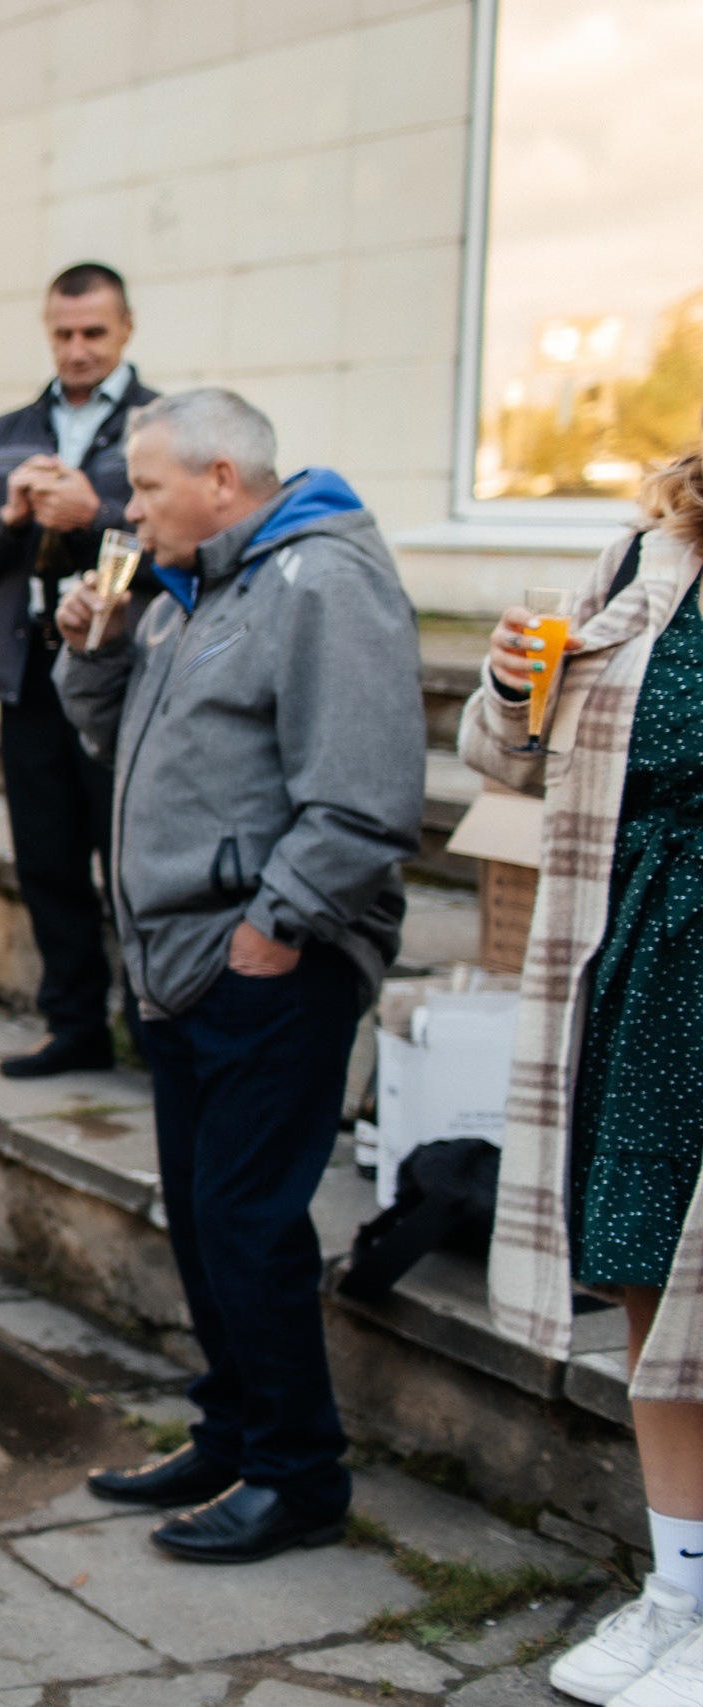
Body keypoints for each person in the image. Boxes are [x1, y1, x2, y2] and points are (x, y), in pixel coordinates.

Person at [52, 388, 424, 1564]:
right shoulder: (189, 590)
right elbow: (116, 744)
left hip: (265, 962)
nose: (128, 508)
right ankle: (232, 1432)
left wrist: (277, 930)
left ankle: (299, 1475)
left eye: (148, 486)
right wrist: (90, 651)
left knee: (247, 1223)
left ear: (221, 479)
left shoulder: (321, 582)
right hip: (177, 964)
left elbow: (364, 795)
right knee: (207, 1222)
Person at [468, 427, 703, 1707]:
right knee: (645, 1280)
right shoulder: (641, 553)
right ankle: (678, 1590)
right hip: (638, 959)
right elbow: (509, 765)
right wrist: (510, 692)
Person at [0, 263, 159, 1078]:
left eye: (93, 332)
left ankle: (148, 1024)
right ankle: (74, 1024)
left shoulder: (158, 424)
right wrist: (13, 515)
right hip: (28, 674)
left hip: (121, 676)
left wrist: (94, 514)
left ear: (125, 329)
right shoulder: (8, 431)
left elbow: (183, 542)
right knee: (47, 859)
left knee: (128, 855)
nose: (77, 348)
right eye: (63, 333)